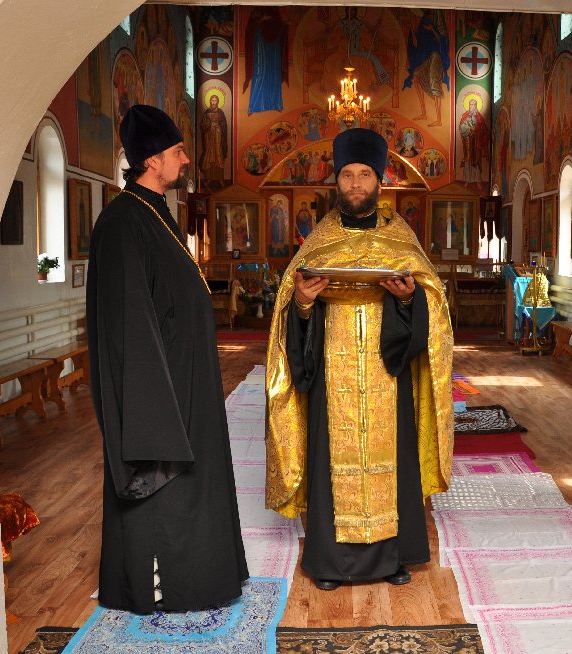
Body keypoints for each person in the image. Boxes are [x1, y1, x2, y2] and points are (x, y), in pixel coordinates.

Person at [265, 128, 454, 591]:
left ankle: (393, 557)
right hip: (332, 373)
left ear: (379, 180)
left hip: (388, 372)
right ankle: (331, 563)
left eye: (364, 174)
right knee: (330, 460)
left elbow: (431, 303)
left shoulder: (401, 238)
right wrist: (303, 304)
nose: (354, 183)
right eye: (347, 174)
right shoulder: (319, 240)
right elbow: (291, 309)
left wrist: (408, 300)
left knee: (393, 459)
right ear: (336, 180)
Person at [87, 104, 248, 613]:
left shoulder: (157, 213)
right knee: (167, 490)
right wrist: (154, 413)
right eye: (178, 151)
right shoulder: (122, 222)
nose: (186, 159)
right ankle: (164, 584)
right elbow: (129, 327)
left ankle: (199, 577)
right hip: (161, 395)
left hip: (188, 383)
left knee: (198, 485)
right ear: (153, 159)